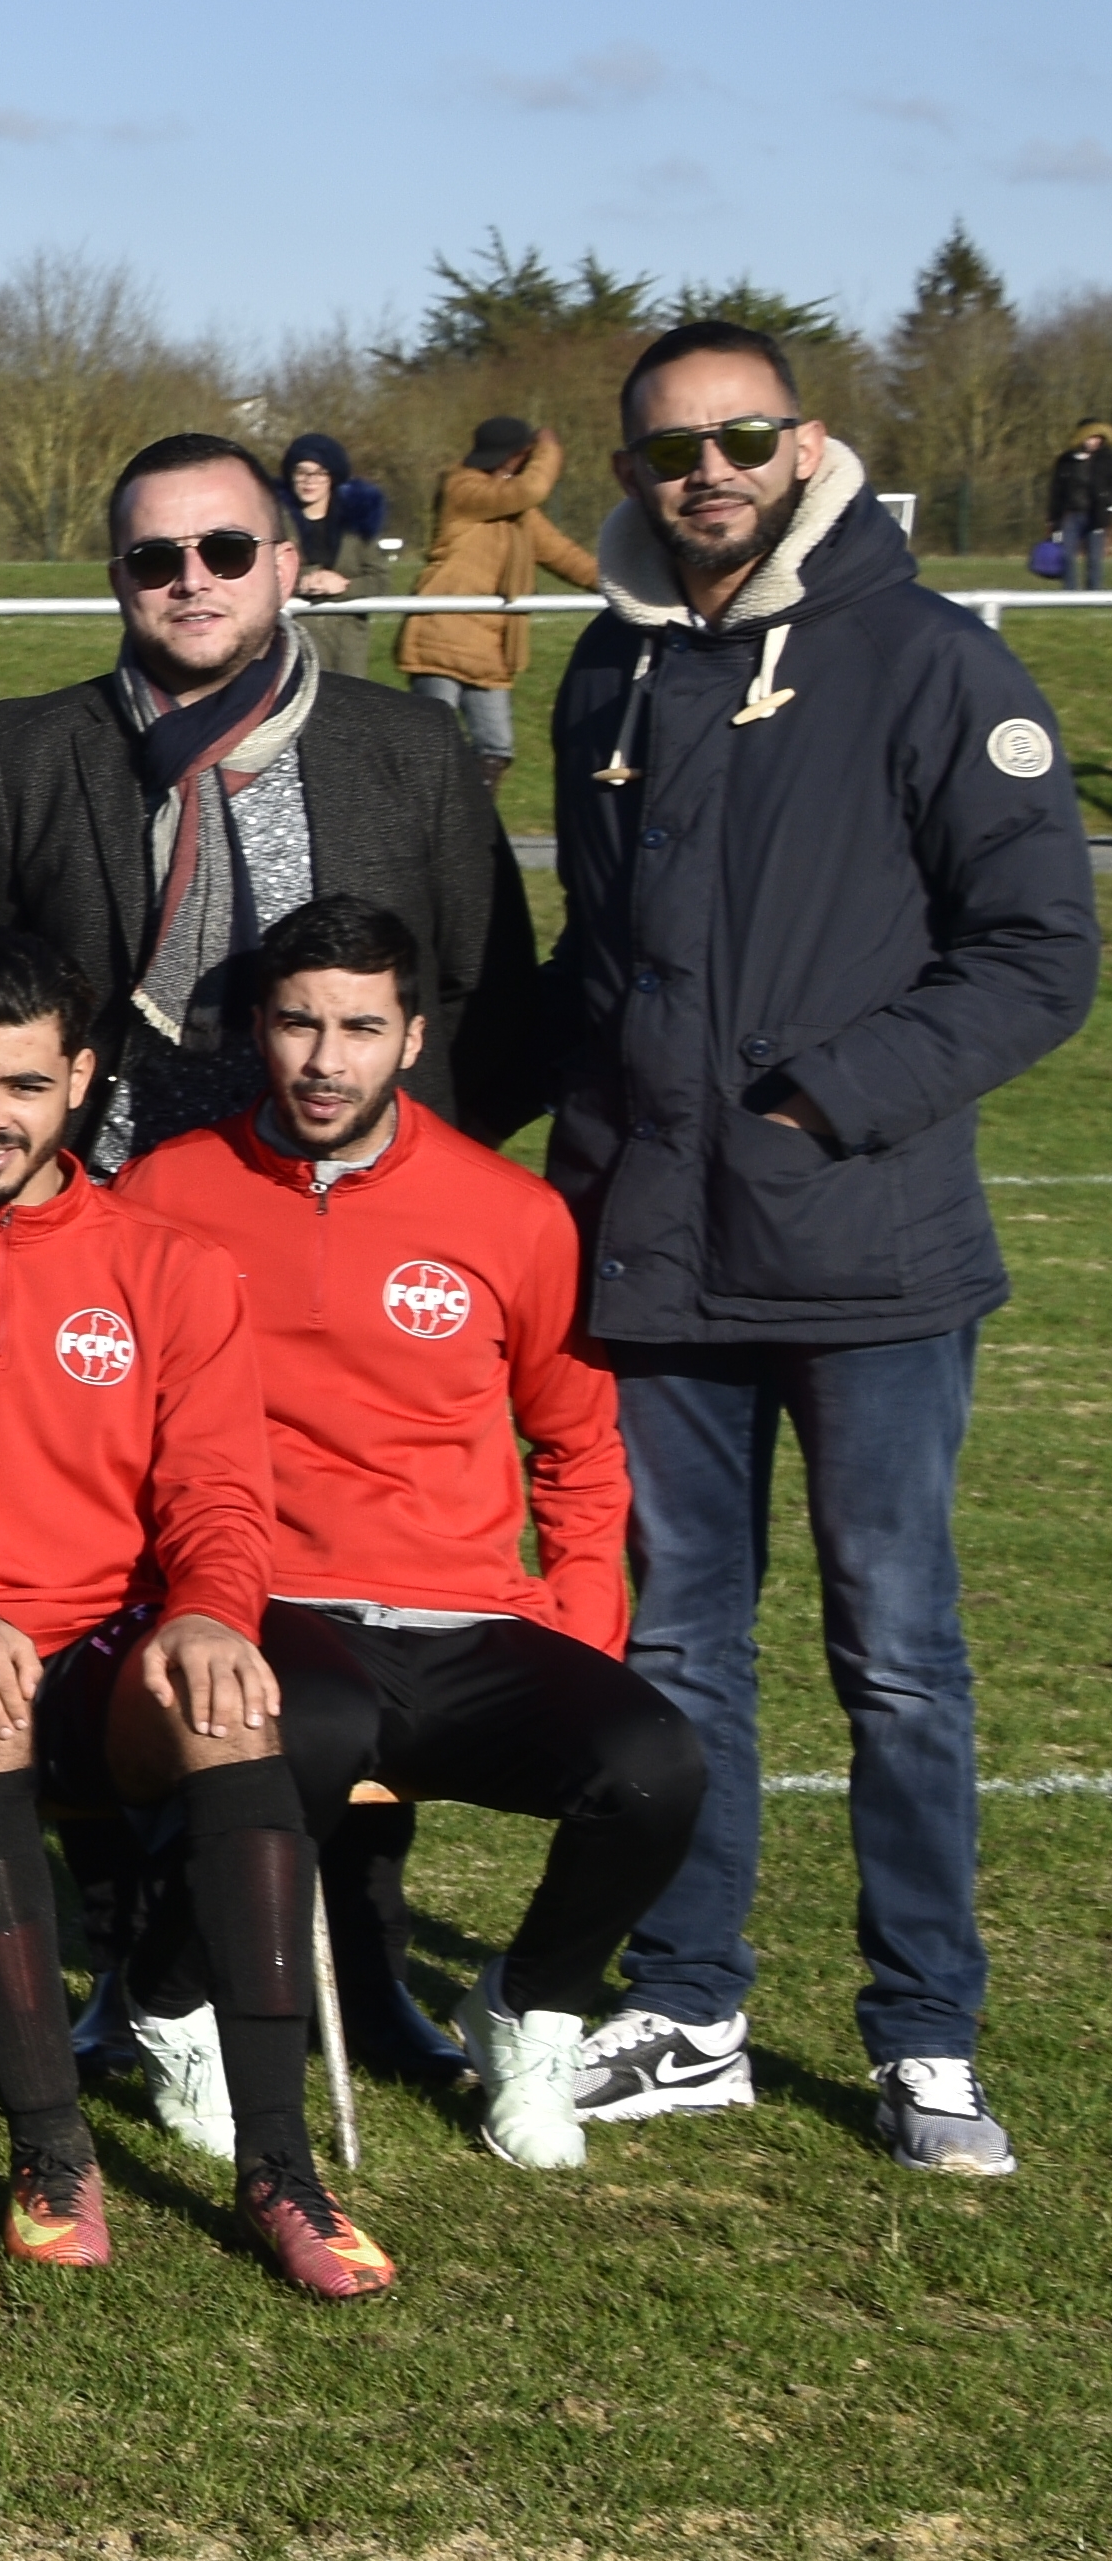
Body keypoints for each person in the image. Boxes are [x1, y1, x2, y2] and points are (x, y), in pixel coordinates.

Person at [545, 322, 1090, 2176]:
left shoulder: (933, 656)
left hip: (862, 1258)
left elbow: (1037, 952)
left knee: (903, 1659)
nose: (703, 471)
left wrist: (822, 1103)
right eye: (665, 449)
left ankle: (926, 2031)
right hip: (657, 1258)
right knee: (682, 1646)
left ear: (807, 443)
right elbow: (593, 979)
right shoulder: (608, 670)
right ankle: (692, 2001)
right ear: (625, 473)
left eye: (739, 437)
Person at [0, 929, 394, 2298]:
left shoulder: (168, 1263)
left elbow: (218, 1489)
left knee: (228, 1692)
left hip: (118, 1640)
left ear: (77, 1078)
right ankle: (50, 2146)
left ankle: (277, 2167)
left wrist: (208, 1611)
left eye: (21, 1084)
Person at [120, 893, 705, 2174]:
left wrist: (583, 1620)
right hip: (275, 1597)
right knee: (302, 1731)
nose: (325, 1058)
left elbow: (577, 1446)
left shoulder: (509, 1212)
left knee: (656, 1764)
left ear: (412, 1036)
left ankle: (529, 2007)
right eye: (297, 1023)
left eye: (359, 1027)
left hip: (469, 1614)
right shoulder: (169, 1190)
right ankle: (167, 1999)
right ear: (257, 1032)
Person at [0, 432, 537, 1171]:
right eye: (155, 559)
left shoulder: (412, 744)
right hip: (111, 1213)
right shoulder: (25, 751)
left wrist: (421, 1161)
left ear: (283, 565)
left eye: (226, 550)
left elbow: (487, 990)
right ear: (117, 580)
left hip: (352, 1202)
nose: (192, 580)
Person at [392, 418, 599, 791]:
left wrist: (617, 584)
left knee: (496, 749)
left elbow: (563, 554)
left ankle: (468, 830)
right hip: (441, 633)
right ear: (518, 456)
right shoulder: (463, 488)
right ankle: (425, 829)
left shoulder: (516, 514)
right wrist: (550, 448)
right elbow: (533, 487)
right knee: (430, 746)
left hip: (489, 648)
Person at [282, 437, 396, 685]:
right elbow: (264, 575)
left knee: (350, 713)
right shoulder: (277, 522)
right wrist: (303, 581)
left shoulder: (356, 525)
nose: (309, 480)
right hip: (295, 637)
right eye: (301, 472)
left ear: (332, 477)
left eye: (319, 473)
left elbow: (380, 580)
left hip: (348, 641)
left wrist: (343, 587)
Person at [1052, 421, 1111, 593]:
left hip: (1096, 516)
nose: (1094, 441)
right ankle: (1070, 590)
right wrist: (1053, 517)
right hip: (1072, 514)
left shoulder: (1107, 460)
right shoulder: (1067, 461)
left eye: (1098, 438)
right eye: (1091, 437)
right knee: (1067, 555)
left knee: (1094, 558)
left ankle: (1093, 592)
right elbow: (1057, 489)